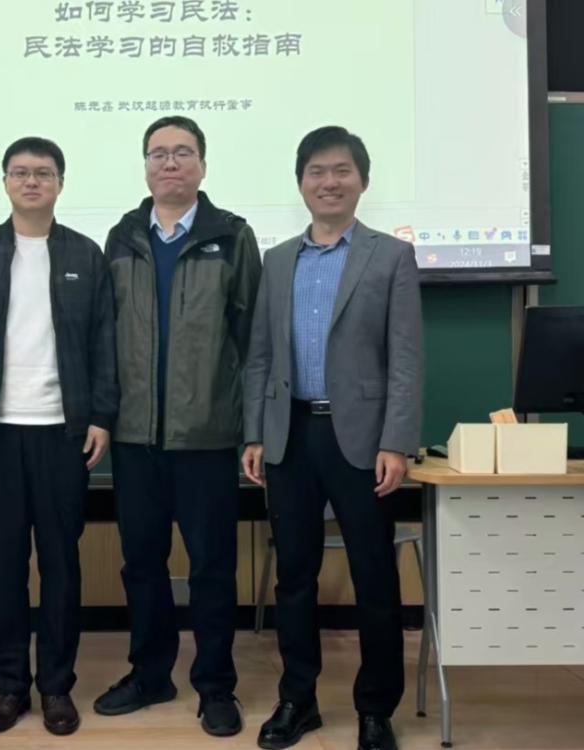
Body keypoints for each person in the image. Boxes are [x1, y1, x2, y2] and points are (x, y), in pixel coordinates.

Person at [242, 125, 423, 750]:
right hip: (290, 435)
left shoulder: (390, 257)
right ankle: (299, 700)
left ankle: (375, 709)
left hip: (364, 442)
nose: (329, 182)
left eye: (341, 170)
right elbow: (260, 356)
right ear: (301, 183)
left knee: (375, 578)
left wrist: (396, 441)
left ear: (362, 181)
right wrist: (255, 432)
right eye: (316, 171)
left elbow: (406, 358)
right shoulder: (277, 260)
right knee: (294, 576)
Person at [0, 137, 117, 736]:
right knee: (5, 564)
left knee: (61, 564)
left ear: (60, 182)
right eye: (20, 172)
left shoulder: (85, 253)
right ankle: (10, 686)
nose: (31, 181)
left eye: (43, 172)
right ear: (5, 182)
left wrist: (101, 416)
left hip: (64, 433)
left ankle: (56, 686)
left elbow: (104, 343)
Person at [95, 116, 261, 737]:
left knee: (213, 566)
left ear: (202, 165)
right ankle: (150, 674)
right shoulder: (122, 237)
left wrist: (250, 427)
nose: (170, 163)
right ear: (145, 166)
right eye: (158, 153)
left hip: (206, 437)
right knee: (142, 563)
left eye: (183, 152)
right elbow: (104, 336)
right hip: (134, 437)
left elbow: (254, 342)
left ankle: (215, 684)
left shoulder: (232, 236)